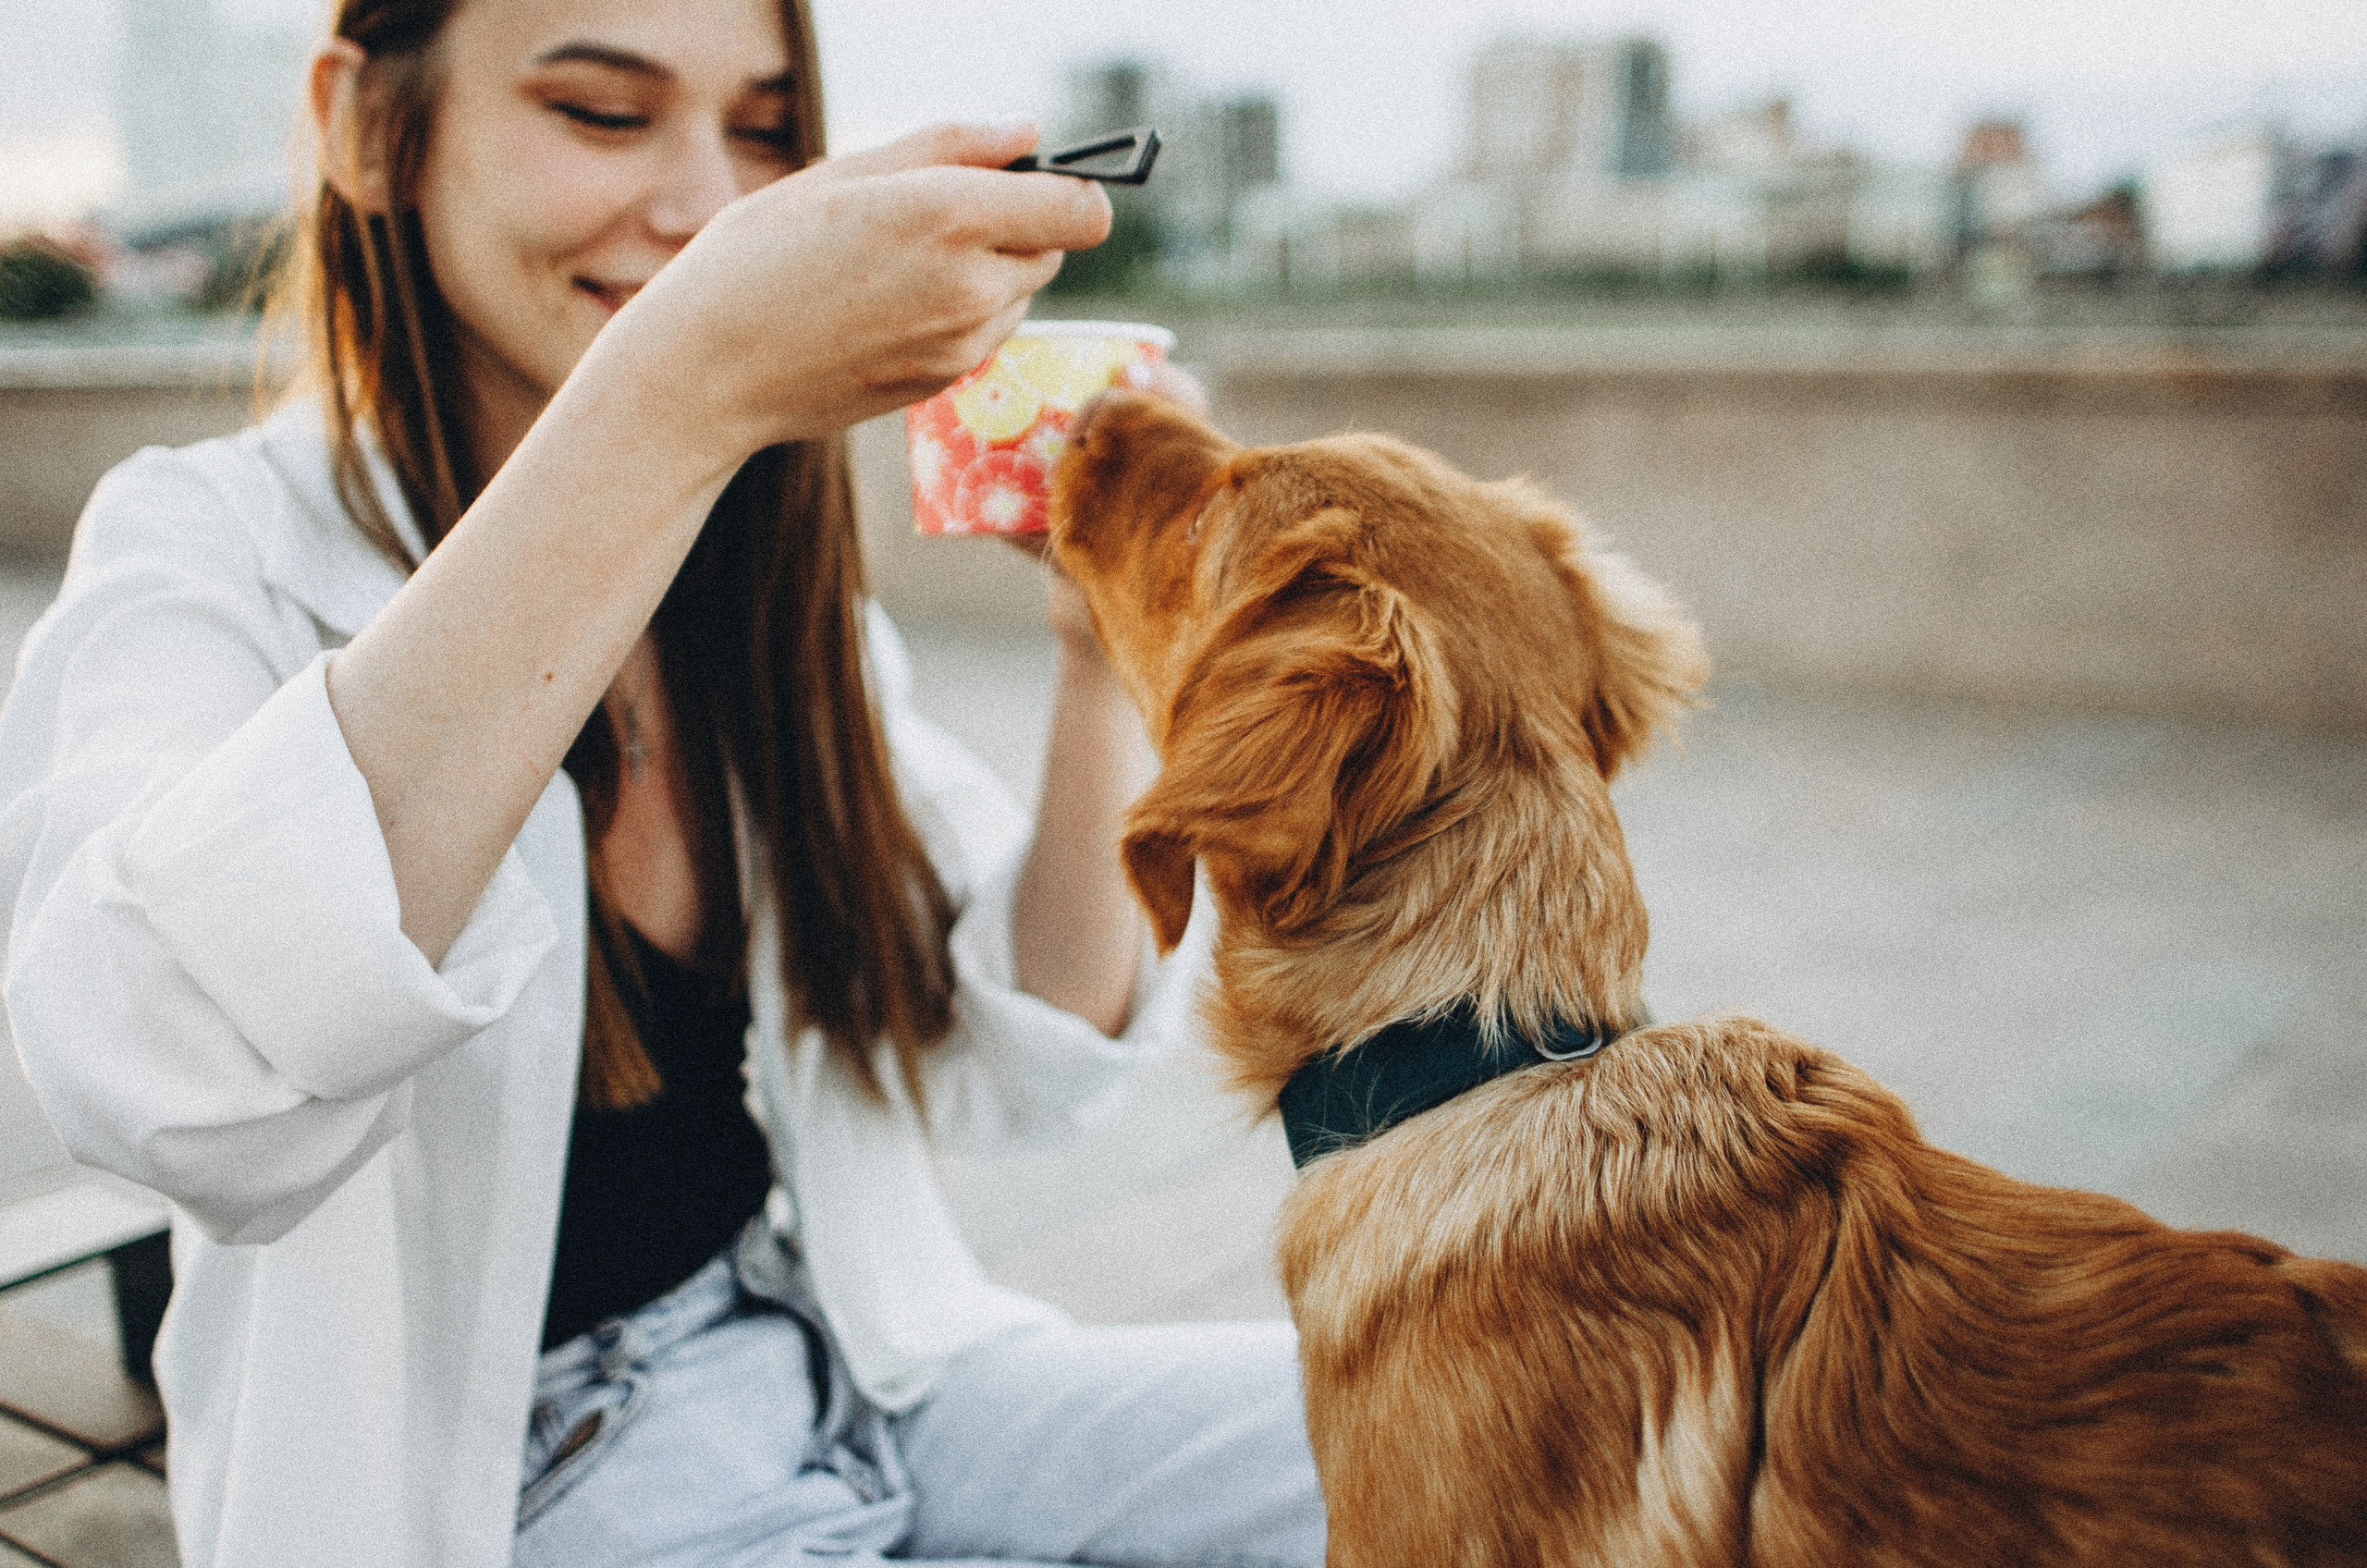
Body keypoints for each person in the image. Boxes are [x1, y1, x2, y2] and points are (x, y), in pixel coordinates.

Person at [0, 1, 1326, 1564]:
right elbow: (156, 1073)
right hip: (511, 1480)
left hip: (848, 1357)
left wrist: (1102, 645)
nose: (707, 207)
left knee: (1532, 1428)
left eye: (762, 132)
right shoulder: (206, 547)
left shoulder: (754, 584)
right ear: (366, 126)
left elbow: (1019, 1052)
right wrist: (682, 386)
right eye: (604, 114)